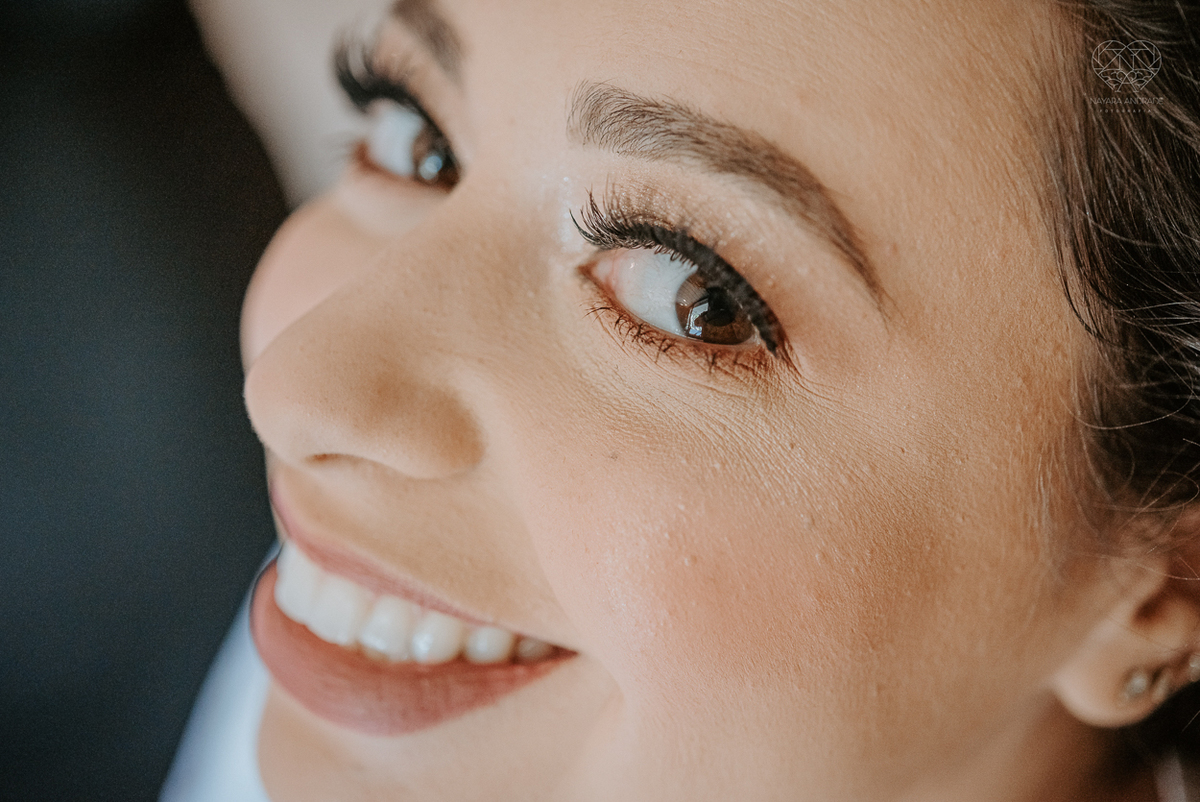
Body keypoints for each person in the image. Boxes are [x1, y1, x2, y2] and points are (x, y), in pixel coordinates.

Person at [228, 0, 1200, 799]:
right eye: (420, 139)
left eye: (695, 298)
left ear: (1169, 581)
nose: (296, 392)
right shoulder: (386, 624)